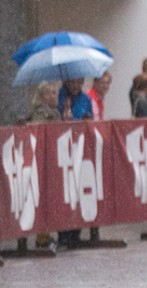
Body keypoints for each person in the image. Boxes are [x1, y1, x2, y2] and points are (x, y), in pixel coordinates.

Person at [56, 78, 92, 248]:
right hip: (64, 150)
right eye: (73, 82)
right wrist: (64, 117)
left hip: (81, 149)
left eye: (79, 82)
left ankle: (76, 231)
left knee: (79, 189)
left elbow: (91, 119)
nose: (76, 86)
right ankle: (63, 232)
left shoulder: (85, 99)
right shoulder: (61, 98)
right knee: (64, 191)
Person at [26, 81, 61, 248]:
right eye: (52, 93)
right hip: (42, 162)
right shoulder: (41, 114)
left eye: (56, 92)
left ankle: (46, 234)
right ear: (44, 96)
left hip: (52, 160)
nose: (55, 96)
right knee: (42, 198)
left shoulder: (55, 112)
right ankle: (41, 237)